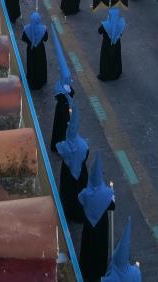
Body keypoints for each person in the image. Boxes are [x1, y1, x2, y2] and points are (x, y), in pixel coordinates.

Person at [77, 152, 116, 280]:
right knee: (100, 246)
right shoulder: (106, 194)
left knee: (88, 245)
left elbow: (80, 199)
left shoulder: (86, 193)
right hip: (101, 225)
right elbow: (112, 206)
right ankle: (98, 270)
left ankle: (85, 269)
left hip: (89, 224)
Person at [55, 106, 89, 223]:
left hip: (68, 174)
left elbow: (59, 148)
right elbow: (86, 154)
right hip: (81, 174)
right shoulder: (83, 144)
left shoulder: (65, 146)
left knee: (69, 194)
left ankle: (69, 212)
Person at [50, 26, 74, 146]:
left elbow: (72, 93)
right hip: (62, 115)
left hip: (65, 112)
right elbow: (64, 101)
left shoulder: (65, 86)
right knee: (60, 131)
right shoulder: (60, 90)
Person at [98, 6, 126, 81]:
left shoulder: (106, 25)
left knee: (106, 60)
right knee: (115, 58)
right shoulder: (120, 23)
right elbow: (120, 34)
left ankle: (105, 75)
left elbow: (99, 31)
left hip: (106, 45)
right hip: (116, 44)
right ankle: (115, 73)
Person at [22, 12, 48, 90]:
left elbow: (23, 38)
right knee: (40, 64)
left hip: (31, 50)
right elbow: (46, 38)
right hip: (40, 50)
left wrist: (31, 41)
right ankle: (41, 80)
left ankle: (32, 81)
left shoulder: (26, 29)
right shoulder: (43, 29)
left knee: (31, 64)